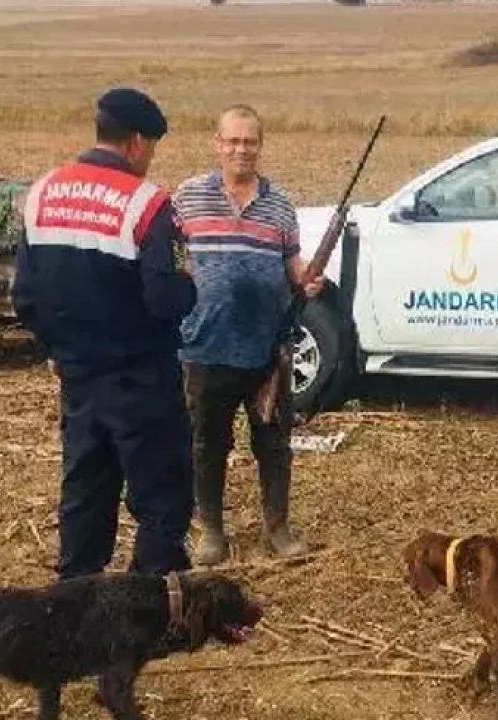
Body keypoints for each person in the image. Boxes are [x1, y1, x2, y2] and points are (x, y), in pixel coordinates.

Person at [11, 87, 198, 580]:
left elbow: (24, 296)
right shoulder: (150, 204)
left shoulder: (44, 191)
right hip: (142, 380)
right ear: (137, 141)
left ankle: (75, 602)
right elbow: (166, 298)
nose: (150, 158)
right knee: (161, 495)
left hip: (77, 378)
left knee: (85, 494)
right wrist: (191, 286)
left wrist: (58, 348)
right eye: (151, 147)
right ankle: (152, 600)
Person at [172, 103, 323, 563]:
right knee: (207, 442)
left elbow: (293, 267)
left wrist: (307, 280)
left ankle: (277, 528)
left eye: (250, 141)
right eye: (233, 140)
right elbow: (171, 259)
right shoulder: (188, 197)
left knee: (273, 444)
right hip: (206, 346)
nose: (242, 149)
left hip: (266, 350)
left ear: (261, 145)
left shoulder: (280, 205)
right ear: (218, 144)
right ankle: (211, 531)